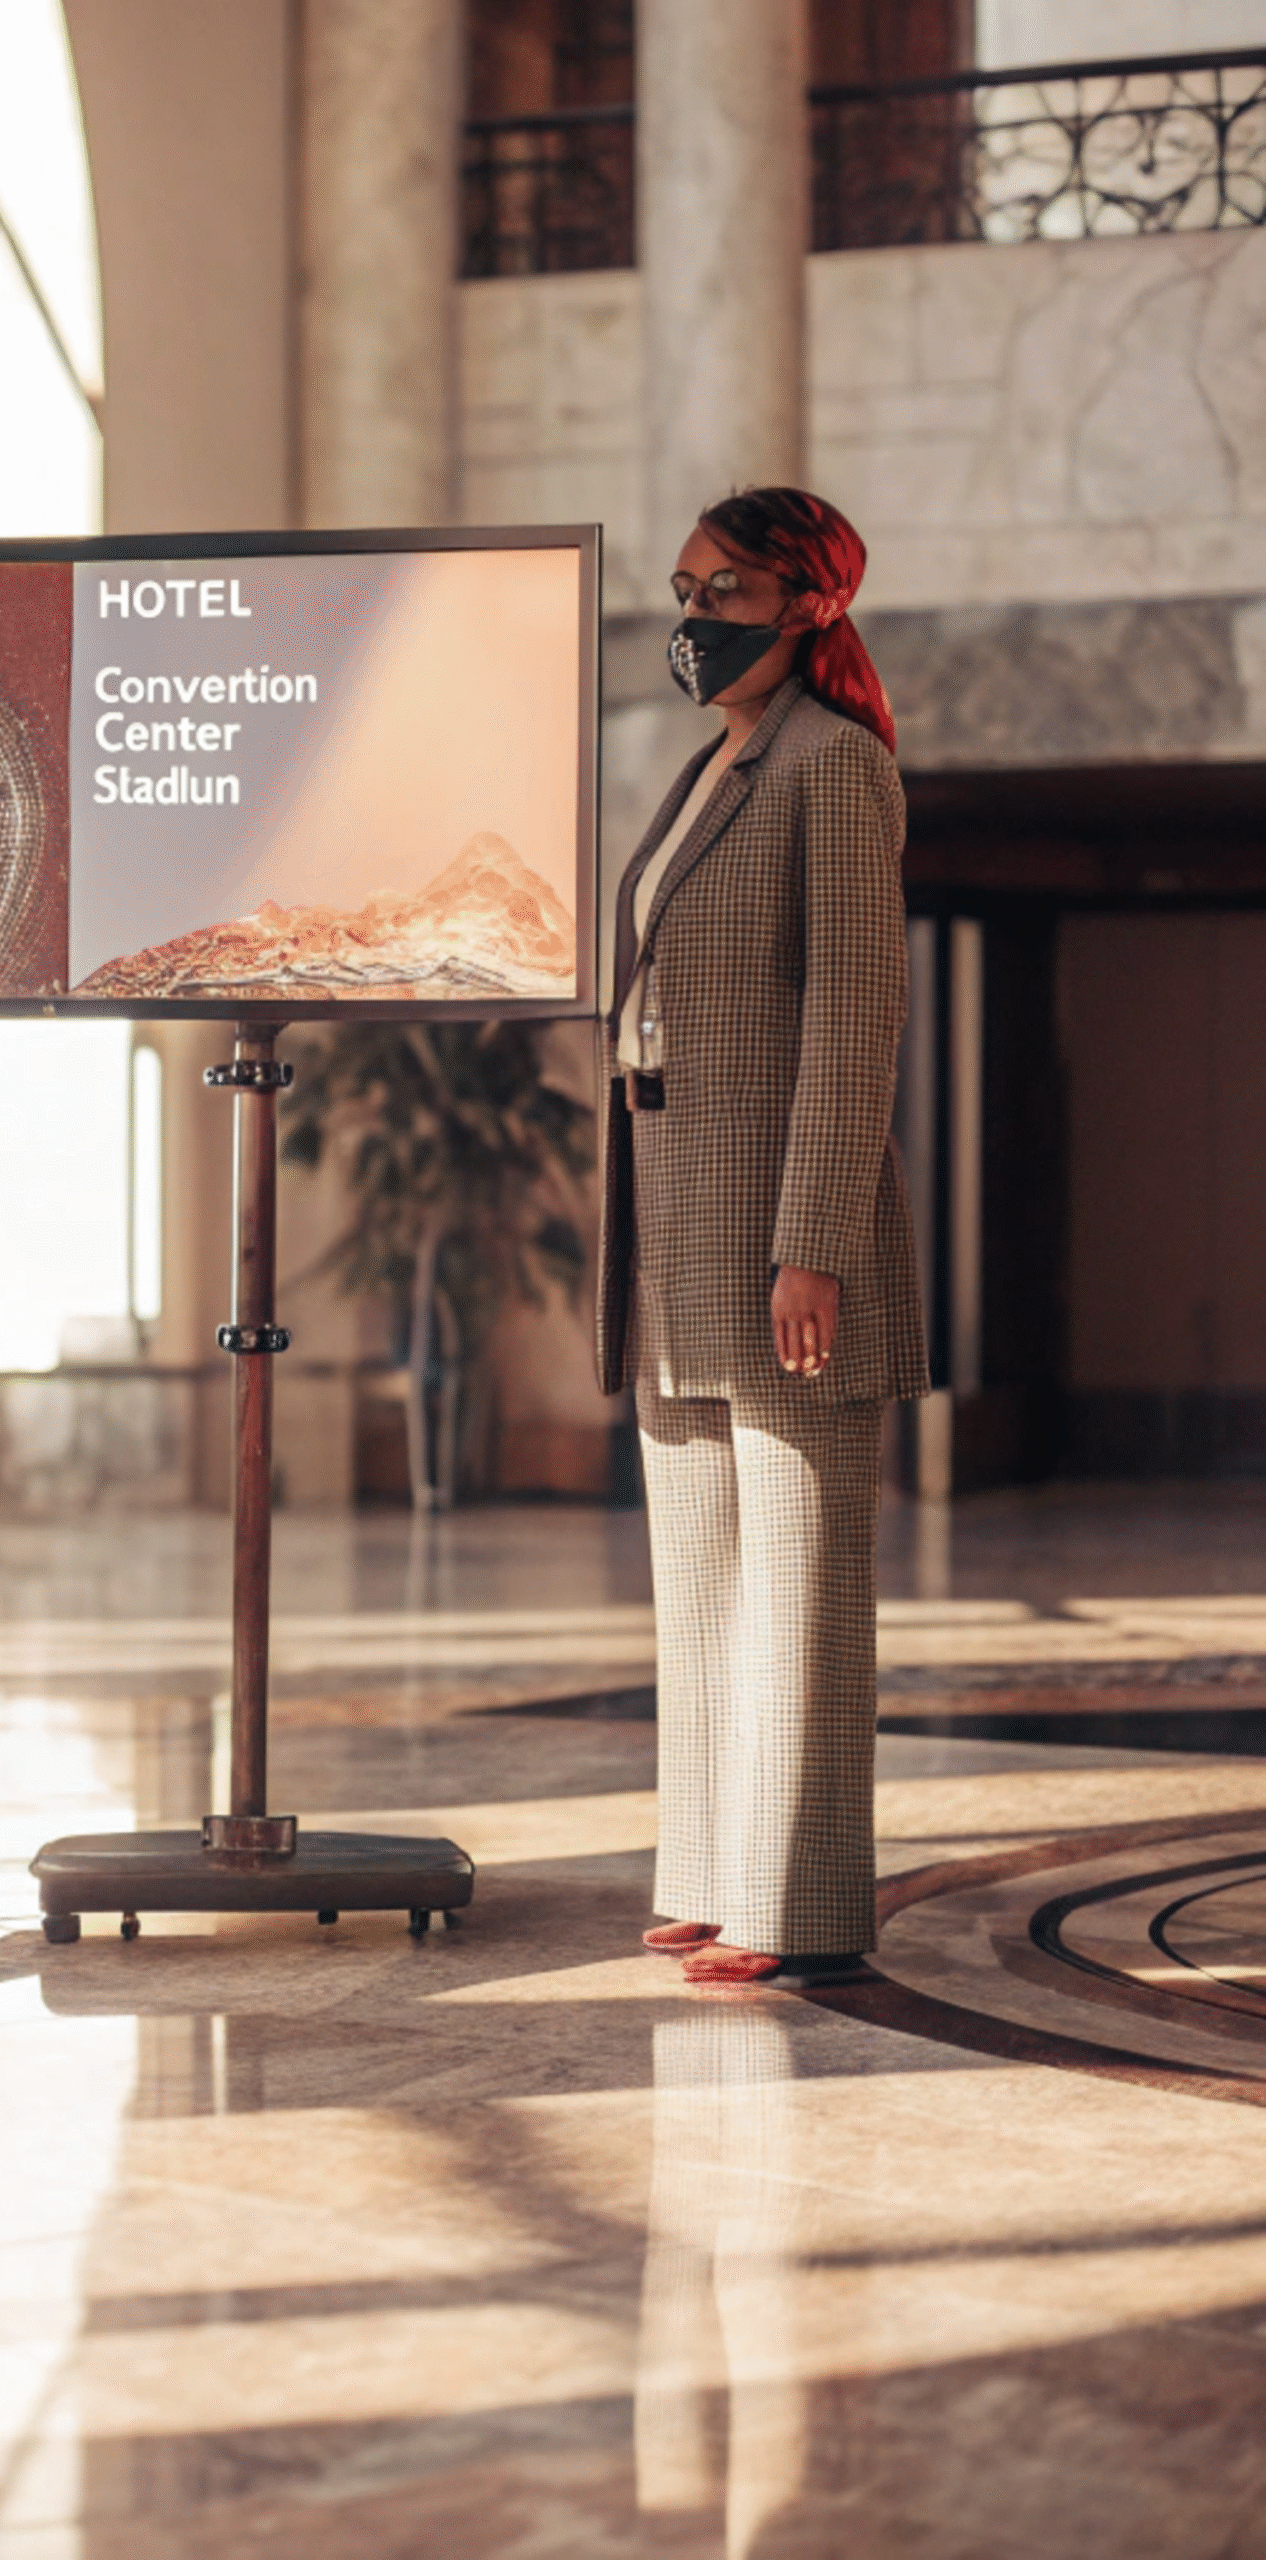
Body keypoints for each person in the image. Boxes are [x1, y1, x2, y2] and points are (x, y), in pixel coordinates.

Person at [593, 484, 927, 1988]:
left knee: (800, 1587)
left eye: (723, 590)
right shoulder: (713, 764)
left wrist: (817, 1243)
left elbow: (858, 1013)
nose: (694, 616)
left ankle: (801, 1903)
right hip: (675, 1227)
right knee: (704, 1577)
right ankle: (713, 1873)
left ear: (808, 603)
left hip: (778, 1236)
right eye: (685, 589)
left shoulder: (833, 764)